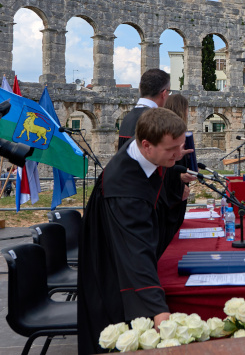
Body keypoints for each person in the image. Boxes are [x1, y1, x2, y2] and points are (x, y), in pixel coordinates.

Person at [78, 108, 187, 354]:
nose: (178, 155)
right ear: (147, 145)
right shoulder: (126, 190)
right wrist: (158, 309)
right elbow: (134, 251)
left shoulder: (140, 155)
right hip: (112, 269)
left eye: (181, 146)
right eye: (172, 150)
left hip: (122, 253)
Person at [158, 94, 195, 255]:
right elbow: (161, 168)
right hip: (170, 195)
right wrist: (179, 177)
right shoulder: (167, 136)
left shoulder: (179, 134)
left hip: (179, 190)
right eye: (186, 109)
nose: (188, 113)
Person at [117, 69, 170, 151]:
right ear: (164, 93)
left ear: (140, 89)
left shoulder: (127, 118)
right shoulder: (157, 120)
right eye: (169, 92)